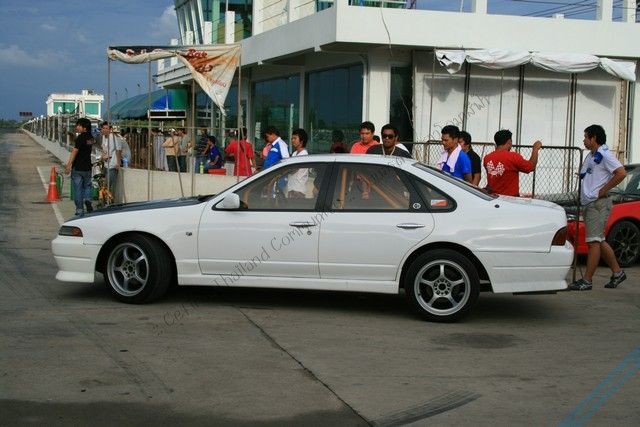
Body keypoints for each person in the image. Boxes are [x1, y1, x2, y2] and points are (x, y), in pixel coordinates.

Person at [570, 125, 627, 291]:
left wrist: (603, 190)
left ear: (594, 138)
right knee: (599, 240)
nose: (584, 140)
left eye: (586, 137)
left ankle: (587, 280)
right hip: (591, 203)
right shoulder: (591, 155)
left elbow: (621, 173)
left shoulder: (605, 155)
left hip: (598, 204)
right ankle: (618, 272)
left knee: (593, 242)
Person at [483, 129, 542, 196]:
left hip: (493, 197)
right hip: (510, 198)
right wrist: (535, 149)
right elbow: (530, 167)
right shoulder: (513, 157)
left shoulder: (487, 158)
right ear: (509, 141)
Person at [65, 118, 95, 216]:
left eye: (79, 125)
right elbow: (84, 145)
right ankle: (88, 200)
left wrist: (69, 165)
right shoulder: (91, 138)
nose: (76, 127)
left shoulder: (81, 137)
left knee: (78, 189)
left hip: (77, 167)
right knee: (87, 186)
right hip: (87, 167)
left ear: (84, 127)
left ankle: (79, 209)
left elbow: (75, 151)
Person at [97, 121, 122, 200]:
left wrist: (118, 163)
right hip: (105, 164)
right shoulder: (103, 137)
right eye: (103, 128)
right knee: (103, 185)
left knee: (108, 186)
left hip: (112, 165)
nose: (104, 130)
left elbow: (118, 150)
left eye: (106, 128)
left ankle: (110, 202)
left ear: (110, 129)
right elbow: (104, 149)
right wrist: (101, 158)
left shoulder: (114, 138)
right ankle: (105, 202)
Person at [287, 128, 309, 198]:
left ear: (301, 141)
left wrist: (283, 170)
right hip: (292, 189)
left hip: (298, 191)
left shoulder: (304, 154)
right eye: (292, 138)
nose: (292, 140)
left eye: (295, 138)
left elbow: (292, 169)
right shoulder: (294, 153)